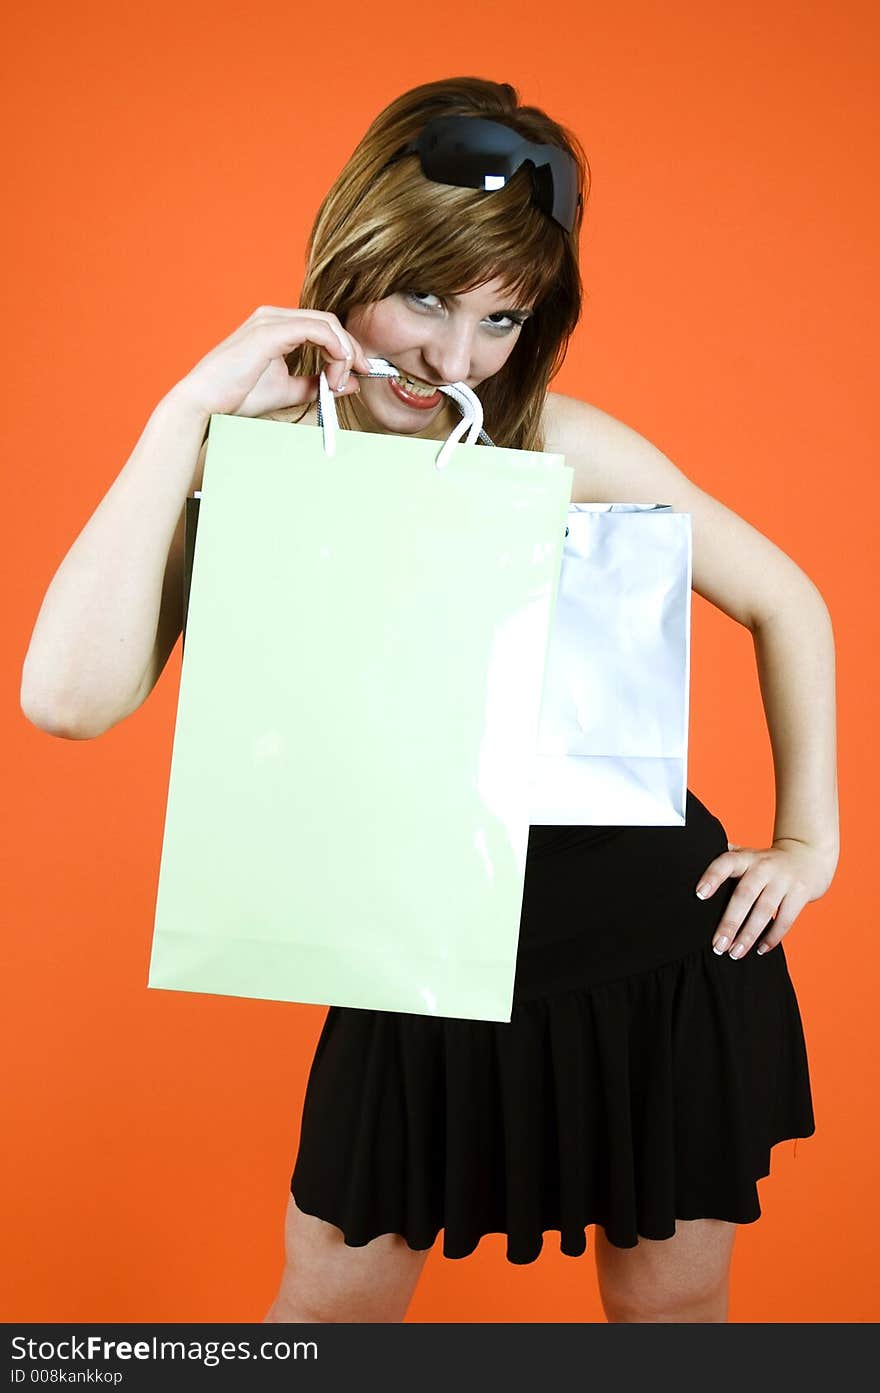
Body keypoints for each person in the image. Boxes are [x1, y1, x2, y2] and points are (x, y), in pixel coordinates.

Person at [20, 76, 839, 1324]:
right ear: (353, 255)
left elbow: (790, 599)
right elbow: (67, 700)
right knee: (327, 1318)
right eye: (426, 299)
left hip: (653, 956)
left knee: (671, 1324)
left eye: (502, 320)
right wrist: (182, 418)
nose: (455, 359)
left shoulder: (557, 449)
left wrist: (808, 842)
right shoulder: (253, 465)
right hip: (409, 956)